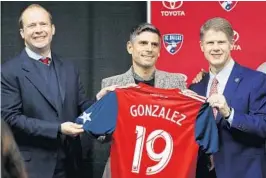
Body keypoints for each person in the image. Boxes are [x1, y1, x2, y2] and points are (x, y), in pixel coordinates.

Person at [1, 4, 110, 178]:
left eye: (43, 24)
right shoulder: (8, 71)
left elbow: (82, 105)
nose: (38, 30)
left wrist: (102, 100)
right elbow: (11, 118)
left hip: (72, 165)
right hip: (32, 169)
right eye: (31, 25)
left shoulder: (69, 68)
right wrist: (58, 128)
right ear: (22, 33)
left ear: (52, 29)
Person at [96, 23, 187, 178]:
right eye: (143, 43)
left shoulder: (177, 83)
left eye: (154, 44)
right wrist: (100, 108)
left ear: (159, 51)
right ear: (130, 47)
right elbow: (102, 137)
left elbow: (185, 130)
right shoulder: (111, 84)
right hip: (122, 169)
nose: (149, 49)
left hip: (165, 169)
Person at [190, 17, 266, 178]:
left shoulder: (256, 80)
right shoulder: (195, 87)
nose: (216, 48)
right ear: (201, 46)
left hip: (242, 173)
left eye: (221, 42)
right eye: (210, 43)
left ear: (231, 44)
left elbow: (263, 127)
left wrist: (229, 113)